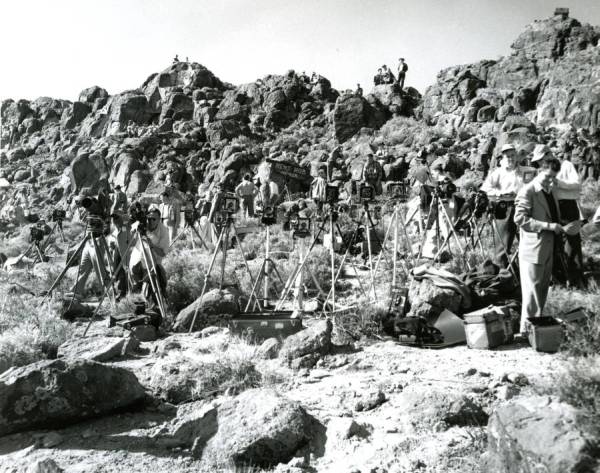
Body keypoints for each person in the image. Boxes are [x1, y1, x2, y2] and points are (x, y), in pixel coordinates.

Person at [514, 158, 564, 334]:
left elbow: (552, 216)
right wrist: (548, 226)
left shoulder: (550, 191)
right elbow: (520, 219)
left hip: (548, 248)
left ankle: (537, 331)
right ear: (539, 171)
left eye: (553, 177)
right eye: (548, 176)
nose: (550, 180)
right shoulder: (528, 191)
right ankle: (526, 332)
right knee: (531, 293)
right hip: (533, 249)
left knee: (541, 291)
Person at [535, 144, 584, 287]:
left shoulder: (566, 165)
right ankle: (561, 278)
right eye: (538, 161)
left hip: (568, 206)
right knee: (555, 242)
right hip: (552, 207)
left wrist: (559, 183)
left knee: (572, 241)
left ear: (549, 154)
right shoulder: (542, 171)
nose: (539, 163)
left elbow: (577, 185)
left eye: (541, 159)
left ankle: (576, 279)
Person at [480, 144, 525, 267]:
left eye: (512, 155)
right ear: (503, 158)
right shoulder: (498, 172)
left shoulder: (524, 171)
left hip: (523, 206)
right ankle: (500, 272)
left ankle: (525, 269)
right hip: (505, 208)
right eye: (507, 156)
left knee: (527, 240)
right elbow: (486, 189)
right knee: (503, 243)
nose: (510, 158)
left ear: (516, 156)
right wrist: (500, 193)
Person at [129, 205, 170, 311]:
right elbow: (130, 241)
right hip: (137, 261)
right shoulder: (141, 225)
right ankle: (133, 308)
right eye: (149, 218)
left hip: (152, 264)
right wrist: (134, 232)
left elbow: (163, 253)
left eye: (153, 219)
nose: (150, 221)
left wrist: (152, 245)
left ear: (159, 219)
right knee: (135, 288)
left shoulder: (164, 231)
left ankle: (155, 310)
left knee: (152, 291)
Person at [107, 213, 129, 300]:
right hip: (116, 253)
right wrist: (111, 246)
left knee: (124, 273)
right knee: (117, 273)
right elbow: (111, 240)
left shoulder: (126, 228)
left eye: (116, 219)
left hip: (125, 253)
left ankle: (124, 292)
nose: (115, 222)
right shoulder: (114, 230)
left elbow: (130, 240)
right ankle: (119, 292)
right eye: (113, 221)